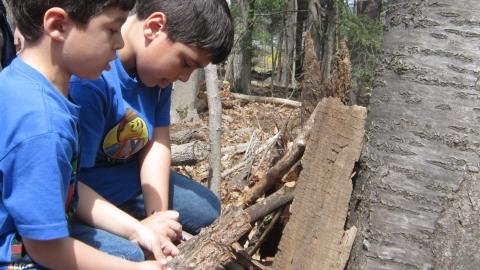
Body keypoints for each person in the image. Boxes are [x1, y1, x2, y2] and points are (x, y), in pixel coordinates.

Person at [0, 1, 180, 269]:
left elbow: (69, 193)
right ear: (58, 26)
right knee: (128, 256)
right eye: (111, 29)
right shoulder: (43, 126)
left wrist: (138, 230)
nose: (119, 43)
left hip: (36, 238)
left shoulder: (21, 81)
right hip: (18, 257)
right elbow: (45, 249)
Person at [69, 0, 234, 237]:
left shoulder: (156, 77)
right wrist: (134, 230)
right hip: (83, 191)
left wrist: (159, 218)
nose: (185, 78)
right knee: (128, 254)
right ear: (154, 27)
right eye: (185, 63)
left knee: (208, 210)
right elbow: (67, 183)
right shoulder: (91, 80)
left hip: (126, 178)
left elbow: (157, 144)